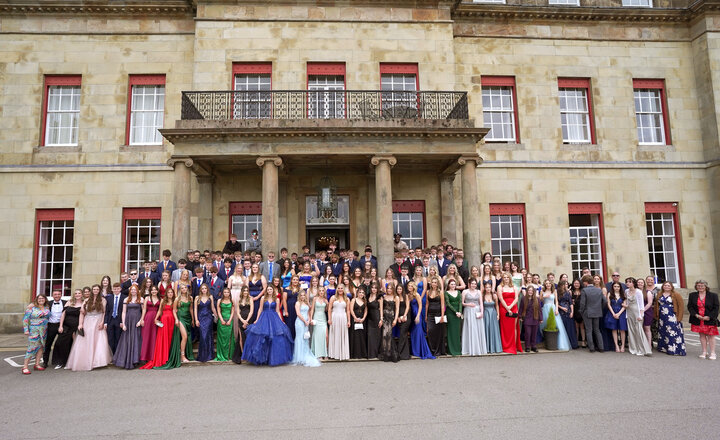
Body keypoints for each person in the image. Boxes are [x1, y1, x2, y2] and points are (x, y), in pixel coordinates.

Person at [242, 285, 294, 366]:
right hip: (264, 317)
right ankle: (263, 358)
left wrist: (281, 321)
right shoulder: (263, 298)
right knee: (262, 337)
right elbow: (260, 309)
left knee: (275, 338)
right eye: (268, 289)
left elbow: (277, 311)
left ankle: (272, 358)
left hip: (274, 317)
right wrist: (257, 319)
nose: (269, 291)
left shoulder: (276, 299)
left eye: (271, 289)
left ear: (273, 290)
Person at [65, 285, 112, 371]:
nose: (95, 291)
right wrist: (80, 324)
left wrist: (102, 322)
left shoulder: (103, 300)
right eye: (94, 289)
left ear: (99, 290)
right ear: (92, 291)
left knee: (99, 341)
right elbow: (82, 313)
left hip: (98, 320)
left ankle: (98, 362)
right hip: (88, 321)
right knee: (87, 340)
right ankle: (86, 361)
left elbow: (104, 312)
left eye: (97, 289)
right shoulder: (86, 300)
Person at [141, 287, 180, 369]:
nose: (170, 294)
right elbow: (159, 310)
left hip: (171, 320)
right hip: (164, 321)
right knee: (163, 339)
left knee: (169, 339)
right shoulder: (163, 300)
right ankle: (162, 358)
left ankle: (168, 357)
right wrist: (156, 318)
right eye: (168, 292)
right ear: (166, 293)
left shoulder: (175, 301)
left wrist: (176, 318)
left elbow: (175, 310)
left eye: (171, 292)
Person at [112, 284, 144, 369]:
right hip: (128, 321)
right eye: (132, 290)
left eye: (135, 290)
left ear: (137, 291)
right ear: (130, 291)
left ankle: (135, 360)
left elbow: (144, 311)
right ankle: (126, 360)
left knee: (136, 339)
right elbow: (124, 312)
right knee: (127, 340)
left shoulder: (141, 299)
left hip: (137, 321)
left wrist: (140, 321)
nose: (133, 291)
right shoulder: (126, 299)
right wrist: (124, 323)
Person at [652, 281, 686, 356]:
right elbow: (656, 305)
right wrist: (656, 315)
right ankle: (664, 348)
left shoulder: (676, 294)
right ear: (663, 286)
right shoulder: (659, 294)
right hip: (662, 317)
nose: (667, 287)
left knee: (672, 332)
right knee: (663, 332)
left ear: (671, 287)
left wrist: (679, 318)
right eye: (665, 285)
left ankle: (674, 349)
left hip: (672, 316)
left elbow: (681, 306)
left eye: (668, 286)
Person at [688, 279, 718, 360]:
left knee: (711, 336)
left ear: (706, 286)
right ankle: (704, 352)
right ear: (696, 286)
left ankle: (713, 353)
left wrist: (709, 316)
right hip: (698, 319)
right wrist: (696, 315)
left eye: (702, 285)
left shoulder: (713, 295)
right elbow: (690, 307)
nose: (700, 287)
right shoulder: (692, 295)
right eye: (698, 285)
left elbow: (716, 308)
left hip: (709, 319)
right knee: (702, 335)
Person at [52, 289, 83, 369]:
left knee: (72, 345)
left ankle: (70, 362)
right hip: (66, 326)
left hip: (75, 327)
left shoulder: (84, 303)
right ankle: (60, 362)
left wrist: (80, 325)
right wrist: (61, 326)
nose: (77, 294)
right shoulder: (69, 302)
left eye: (79, 293)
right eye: (76, 293)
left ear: (82, 294)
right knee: (59, 343)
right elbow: (63, 315)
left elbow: (83, 315)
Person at [21, 293, 50, 375]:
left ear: (45, 300)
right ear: (36, 300)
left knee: (41, 347)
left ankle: (37, 364)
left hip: (44, 330)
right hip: (34, 330)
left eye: (43, 298)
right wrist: (26, 330)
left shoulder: (47, 307)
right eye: (39, 298)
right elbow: (25, 320)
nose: (41, 300)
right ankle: (25, 367)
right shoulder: (31, 308)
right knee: (32, 348)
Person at [291, 291, 321, 367]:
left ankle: (305, 354)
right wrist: (304, 321)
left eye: (304, 295)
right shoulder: (297, 303)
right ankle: (299, 357)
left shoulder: (307, 303)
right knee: (299, 338)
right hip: (299, 322)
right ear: (299, 296)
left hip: (306, 322)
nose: (302, 297)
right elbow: (298, 313)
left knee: (305, 338)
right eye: (301, 295)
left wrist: (309, 320)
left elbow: (308, 312)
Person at [539, 279, 571, 351]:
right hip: (545, 308)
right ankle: (546, 341)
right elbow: (540, 299)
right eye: (546, 283)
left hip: (552, 308)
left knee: (557, 325)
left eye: (549, 283)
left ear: (551, 284)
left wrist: (556, 309)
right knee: (545, 324)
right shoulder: (542, 291)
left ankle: (560, 343)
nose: (548, 285)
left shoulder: (554, 291)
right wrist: (544, 296)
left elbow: (556, 301)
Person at [624, 277, 652, 356]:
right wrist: (625, 305)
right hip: (629, 312)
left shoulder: (638, 292)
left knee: (639, 331)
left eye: (629, 282)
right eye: (627, 282)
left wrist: (641, 315)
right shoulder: (626, 291)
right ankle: (634, 348)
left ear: (633, 283)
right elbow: (626, 301)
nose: (628, 283)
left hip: (637, 312)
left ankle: (643, 349)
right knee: (631, 331)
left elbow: (641, 305)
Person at [579, 275, 607, 353]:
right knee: (597, 330)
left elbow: (582, 303)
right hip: (597, 311)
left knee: (588, 330)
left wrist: (581, 311)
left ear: (585, 282)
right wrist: (600, 308)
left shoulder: (584, 290)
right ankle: (601, 347)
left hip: (587, 312)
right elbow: (605, 301)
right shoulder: (599, 290)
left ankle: (592, 348)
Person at [461, 278, 487, 356]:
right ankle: (469, 348)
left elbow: (481, 303)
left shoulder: (479, 292)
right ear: (469, 284)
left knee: (478, 328)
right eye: (472, 283)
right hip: (468, 311)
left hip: (477, 311)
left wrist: (482, 312)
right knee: (470, 328)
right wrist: (468, 304)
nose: (473, 285)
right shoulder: (465, 291)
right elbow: (462, 303)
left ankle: (478, 348)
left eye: (475, 284)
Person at [498, 273, 521, 354]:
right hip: (504, 309)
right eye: (504, 277)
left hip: (513, 307)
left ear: (510, 278)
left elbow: (516, 298)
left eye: (507, 277)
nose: (506, 278)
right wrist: (507, 308)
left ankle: (513, 346)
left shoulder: (514, 287)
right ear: (502, 278)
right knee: (505, 328)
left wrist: (511, 306)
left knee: (513, 327)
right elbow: (500, 298)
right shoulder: (500, 287)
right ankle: (506, 346)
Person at [42, 289, 64, 368]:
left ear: (61, 295)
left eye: (58, 294)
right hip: (51, 326)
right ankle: (45, 362)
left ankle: (61, 361)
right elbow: (37, 304)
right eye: (55, 294)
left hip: (62, 326)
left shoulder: (65, 303)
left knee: (61, 344)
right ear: (52, 295)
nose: (57, 296)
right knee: (48, 344)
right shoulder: (48, 303)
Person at [231, 286, 254, 364]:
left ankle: (249, 354)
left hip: (249, 320)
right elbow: (237, 311)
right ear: (242, 292)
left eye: (247, 291)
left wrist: (246, 320)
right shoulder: (239, 300)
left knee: (249, 337)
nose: (245, 292)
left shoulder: (250, 299)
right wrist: (242, 320)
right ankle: (243, 354)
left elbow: (251, 311)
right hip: (241, 320)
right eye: (244, 291)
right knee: (241, 338)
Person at [328, 284, 351, 360]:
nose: (340, 289)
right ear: (336, 289)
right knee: (334, 334)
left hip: (343, 318)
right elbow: (329, 309)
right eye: (339, 288)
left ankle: (342, 354)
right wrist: (329, 319)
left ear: (343, 289)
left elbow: (348, 310)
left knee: (342, 334)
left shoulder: (347, 299)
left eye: (341, 288)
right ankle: (334, 354)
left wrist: (349, 321)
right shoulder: (333, 298)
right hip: (334, 317)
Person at [194, 283, 216, 362]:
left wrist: (216, 316)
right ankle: (202, 355)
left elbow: (213, 308)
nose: (204, 290)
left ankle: (209, 355)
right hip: (200, 317)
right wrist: (196, 319)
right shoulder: (197, 298)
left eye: (205, 288)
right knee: (203, 336)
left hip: (208, 318)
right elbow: (195, 309)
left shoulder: (210, 297)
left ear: (207, 289)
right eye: (202, 289)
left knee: (207, 335)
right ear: (200, 290)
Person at [604, 281, 628, 352]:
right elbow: (608, 304)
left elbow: (624, 305)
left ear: (620, 287)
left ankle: (622, 346)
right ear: (612, 287)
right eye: (615, 286)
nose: (616, 288)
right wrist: (613, 313)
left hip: (621, 313)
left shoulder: (623, 294)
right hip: (612, 312)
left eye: (618, 286)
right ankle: (616, 346)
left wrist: (619, 314)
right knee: (614, 329)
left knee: (622, 330)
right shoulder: (610, 294)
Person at [104, 282, 127, 354]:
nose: (116, 290)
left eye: (118, 289)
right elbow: (107, 311)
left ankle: (117, 355)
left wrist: (122, 322)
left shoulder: (124, 298)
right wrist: (105, 322)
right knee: (110, 338)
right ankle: (111, 355)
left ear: (120, 289)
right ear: (112, 289)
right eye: (114, 289)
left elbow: (124, 311)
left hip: (119, 320)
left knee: (118, 338)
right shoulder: (109, 298)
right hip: (110, 320)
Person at [425, 276, 446, 357]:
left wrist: (442, 316)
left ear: (437, 284)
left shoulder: (440, 292)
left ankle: (437, 351)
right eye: (432, 282)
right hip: (430, 314)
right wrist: (426, 316)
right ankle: (432, 349)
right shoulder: (428, 292)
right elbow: (427, 304)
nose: (434, 284)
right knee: (430, 331)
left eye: (435, 283)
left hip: (438, 314)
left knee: (438, 332)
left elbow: (442, 305)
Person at [140, 285, 161, 362]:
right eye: (152, 290)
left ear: (157, 291)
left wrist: (158, 319)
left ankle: (153, 356)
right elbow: (144, 309)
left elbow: (160, 310)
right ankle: (145, 356)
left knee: (154, 337)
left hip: (156, 319)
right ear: (150, 291)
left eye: (155, 290)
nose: (154, 291)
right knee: (146, 337)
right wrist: (142, 319)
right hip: (148, 318)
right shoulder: (147, 298)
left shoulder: (160, 299)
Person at [214, 287, 235, 362]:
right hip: (221, 320)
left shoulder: (232, 301)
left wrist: (230, 320)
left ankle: (228, 355)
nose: (226, 294)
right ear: (223, 293)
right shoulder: (219, 300)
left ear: (229, 293)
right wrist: (221, 320)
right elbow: (218, 311)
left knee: (228, 338)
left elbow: (232, 312)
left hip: (229, 320)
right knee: (221, 338)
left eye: (227, 292)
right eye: (225, 292)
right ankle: (221, 355)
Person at [481, 280, 502, 353]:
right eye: (486, 287)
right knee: (486, 329)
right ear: (484, 288)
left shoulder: (494, 295)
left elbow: (496, 305)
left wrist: (498, 314)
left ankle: (494, 347)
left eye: (489, 287)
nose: (488, 289)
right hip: (486, 314)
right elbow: (482, 306)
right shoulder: (482, 296)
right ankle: (487, 348)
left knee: (494, 330)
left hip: (493, 313)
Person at [380, 282, 399, 362]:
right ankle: (385, 354)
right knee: (384, 335)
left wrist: (395, 319)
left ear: (393, 289)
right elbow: (381, 308)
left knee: (389, 335)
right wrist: (381, 318)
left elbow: (397, 309)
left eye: (391, 288)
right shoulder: (383, 297)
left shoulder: (396, 297)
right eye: (388, 288)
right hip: (385, 317)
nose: (389, 290)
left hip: (391, 317)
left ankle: (390, 353)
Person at [519, 286, 542, 352]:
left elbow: (539, 310)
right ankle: (527, 346)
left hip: (535, 318)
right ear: (527, 291)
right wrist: (520, 316)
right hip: (527, 318)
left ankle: (534, 346)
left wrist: (540, 318)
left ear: (534, 292)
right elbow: (521, 308)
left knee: (534, 333)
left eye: (532, 291)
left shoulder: (537, 299)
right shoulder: (523, 298)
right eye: (529, 290)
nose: (530, 292)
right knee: (528, 333)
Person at [557, 280, 579, 349]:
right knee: (563, 328)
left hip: (568, 311)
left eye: (566, 284)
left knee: (571, 328)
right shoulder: (558, 293)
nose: (565, 286)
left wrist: (572, 312)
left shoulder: (568, 293)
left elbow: (571, 303)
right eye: (564, 284)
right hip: (561, 311)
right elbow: (556, 303)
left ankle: (573, 344)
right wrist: (562, 308)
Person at [176, 284, 194, 362]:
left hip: (188, 318)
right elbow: (174, 310)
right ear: (180, 290)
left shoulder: (190, 298)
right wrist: (176, 319)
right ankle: (182, 356)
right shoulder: (177, 299)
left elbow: (191, 309)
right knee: (185, 336)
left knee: (187, 336)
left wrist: (193, 319)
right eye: (182, 288)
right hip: (180, 318)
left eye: (185, 288)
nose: (184, 289)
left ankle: (187, 354)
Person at [444, 279, 463, 356]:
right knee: (451, 331)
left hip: (458, 314)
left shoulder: (458, 292)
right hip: (451, 313)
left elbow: (460, 302)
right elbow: (448, 304)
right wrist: (455, 312)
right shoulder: (446, 293)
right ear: (448, 285)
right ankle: (451, 350)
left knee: (457, 331)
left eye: (454, 284)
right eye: (451, 284)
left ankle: (457, 349)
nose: (453, 286)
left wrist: (460, 312)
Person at [310, 286, 329, 360]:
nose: (321, 292)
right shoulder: (315, 299)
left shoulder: (325, 300)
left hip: (323, 318)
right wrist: (311, 319)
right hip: (316, 318)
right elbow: (312, 309)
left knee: (325, 336)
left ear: (324, 292)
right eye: (320, 290)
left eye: (322, 291)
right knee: (317, 336)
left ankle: (325, 353)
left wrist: (327, 304)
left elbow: (326, 310)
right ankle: (318, 354)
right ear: (318, 291)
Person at [349, 288, 368, 359]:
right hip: (354, 320)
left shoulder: (364, 301)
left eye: (363, 293)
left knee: (361, 336)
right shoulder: (354, 300)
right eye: (360, 292)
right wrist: (355, 317)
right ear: (357, 293)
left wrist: (363, 318)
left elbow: (366, 311)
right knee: (355, 336)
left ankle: (362, 354)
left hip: (362, 321)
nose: (361, 294)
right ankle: (354, 354)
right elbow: (351, 309)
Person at [365, 282, 382, 359]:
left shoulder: (379, 297)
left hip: (377, 317)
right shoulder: (368, 296)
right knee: (370, 335)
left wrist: (381, 319)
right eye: (372, 288)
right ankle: (371, 354)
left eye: (375, 288)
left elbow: (381, 309)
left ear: (377, 289)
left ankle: (376, 353)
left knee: (377, 336)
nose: (374, 289)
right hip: (369, 318)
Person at [283, 275, 301, 340]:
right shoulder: (286, 289)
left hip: (297, 309)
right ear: (291, 280)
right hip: (289, 308)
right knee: (289, 325)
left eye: (296, 280)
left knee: (296, 325)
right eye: (294, 279)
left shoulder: (300, 289)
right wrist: (286, 311)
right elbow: (284, 300)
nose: (295, 281)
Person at [571, 279, 586, 347]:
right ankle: (576, 341)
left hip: (582, 311)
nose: (576, 284)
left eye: (578, 283)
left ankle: (583, 341)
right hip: (574, 310)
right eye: (575, 283)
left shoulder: (583, 292)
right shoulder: (571, 292)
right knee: (576, 327)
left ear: (580, 284)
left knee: (582, 327)